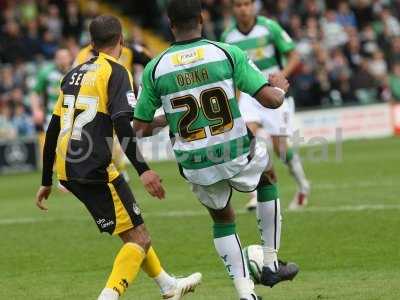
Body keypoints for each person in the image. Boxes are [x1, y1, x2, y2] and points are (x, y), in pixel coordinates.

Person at [133, 1, 299, 299]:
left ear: (171, 25)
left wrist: (168, 118)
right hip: (235, 149)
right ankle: (271, 262)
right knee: (268, 176)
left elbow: (140, 128)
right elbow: (271, 101)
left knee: (223, 218)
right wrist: (281, 86)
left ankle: (246, 294)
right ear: (201, 18)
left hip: (195, 162)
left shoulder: (155, 69)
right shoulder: (226, 52)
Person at [35, 15, 201, 300]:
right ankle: (109, 296)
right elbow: (124, 124)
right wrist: (144, 170)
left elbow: (52, 126)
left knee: (131, 232)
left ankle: (168, 286)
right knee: (140, 238)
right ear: (122, 41)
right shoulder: (116, 71)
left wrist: (46, 179)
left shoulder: (72, 74)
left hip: (66, 169)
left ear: (91, 44)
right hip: (94, 168)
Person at [221, 0, 311, 210]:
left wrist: (282, 75)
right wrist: (235, 99)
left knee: (281, 148)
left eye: (246, 4)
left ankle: (303, 185)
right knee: (246, 140)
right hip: (249, 96)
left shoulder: (269, 27)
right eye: (238, 5)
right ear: (233, 9)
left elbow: (294, 55)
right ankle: (255, 192)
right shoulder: (228, 37)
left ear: (253, 6)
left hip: (274, 94)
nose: (243, 9)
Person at [73, 39, 153, 182]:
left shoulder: (130, 51)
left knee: (116, 136)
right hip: (98, 102)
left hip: (122, 99)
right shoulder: (83, 55)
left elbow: (150, 62)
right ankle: (118, 171)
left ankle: (119, 171)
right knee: (111, 138)